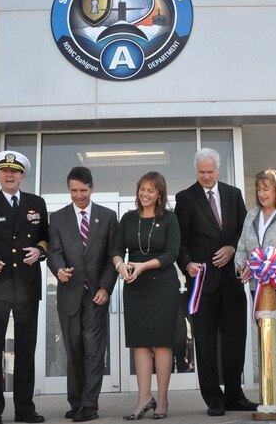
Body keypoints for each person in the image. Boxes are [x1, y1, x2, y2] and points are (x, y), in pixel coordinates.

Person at [174, 147, 256, 416]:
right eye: (201, 172)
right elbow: (181, 241)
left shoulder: (233, 195)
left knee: (235, 340)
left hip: (232, 281)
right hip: (202, 284)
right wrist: (187, 264)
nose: (206, 176)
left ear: (218, 170)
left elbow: (246, 233)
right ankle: (214, 399)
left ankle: (235, 394)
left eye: (210, 172)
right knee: (206, 343)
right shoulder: (185, 198)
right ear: (196, 171)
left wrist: (233, 249)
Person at [0, 150, 48, 424]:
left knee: (26, 348)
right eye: (5, 171)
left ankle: (25, 409)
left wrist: (39, 252)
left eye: (14, 172)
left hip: (26, 286)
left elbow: (46, 239)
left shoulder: (36, 202)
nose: (9, 175)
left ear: (22, 176)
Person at [48, 167, 118, 422]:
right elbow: (54, 252)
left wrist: (106, 287)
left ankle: (90, 405)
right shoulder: (57, 218)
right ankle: (75, 402)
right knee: (74, 350)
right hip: (69, 295)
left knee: (94, 352)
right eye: (73, 191)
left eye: (83, 190)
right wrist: (58, 270)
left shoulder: (108, 217)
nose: (78, 195)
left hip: (96, 296)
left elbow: (114, 256)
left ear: (92, 188)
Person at [111, 171, 180, 420]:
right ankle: (143, 398)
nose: (145, 194)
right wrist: (120, 265)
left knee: (161, 342)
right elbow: (117, 249)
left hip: (163, 285)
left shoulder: (170, 219)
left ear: (159, 194)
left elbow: (172, 253)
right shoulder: (128, 219)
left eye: (151, 190)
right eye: (142, 189)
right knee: (139, 342)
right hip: (135, 286)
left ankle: (162, 399)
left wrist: (142, 265)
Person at [235, 169, 276, 415]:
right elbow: (241, 247)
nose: (262, 194)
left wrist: (264, 265)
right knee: (266, 342)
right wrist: (242, 267)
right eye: (259, 189)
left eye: (267, 189)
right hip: (258, 289)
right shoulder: (252, 214)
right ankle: (268, 395)